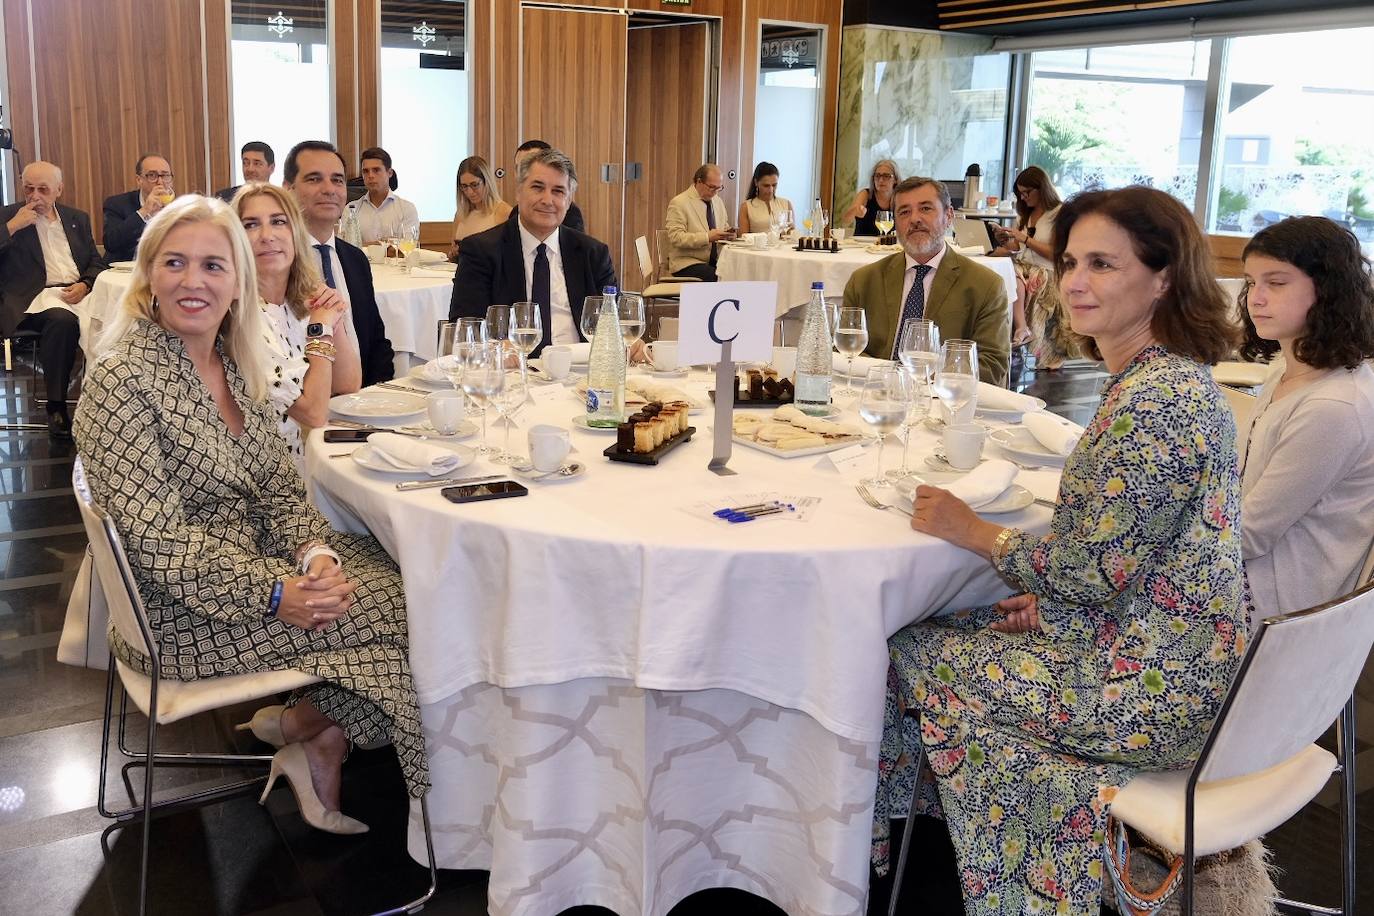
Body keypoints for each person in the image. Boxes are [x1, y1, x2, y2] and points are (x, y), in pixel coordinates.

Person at [875, 186, 1248, 915]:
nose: (1075, 280)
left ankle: (1013, 867)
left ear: (1164, 277)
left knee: (905, 647)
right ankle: (979, 844)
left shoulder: (1155, 400)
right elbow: (1127, 563)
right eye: (1072, 260)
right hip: (1170, 651)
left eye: (1104, 264)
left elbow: (1086, 568)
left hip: (1149, 692)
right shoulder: (1163, 379)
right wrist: (1049, 604)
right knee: (963, 629)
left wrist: (971, 529)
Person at [76, 195, 429, 833]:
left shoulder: (232, 364)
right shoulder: (121, 381)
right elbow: (162, 546)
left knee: (409, 578)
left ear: (238, 282)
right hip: (178, 614)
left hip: (249, 569)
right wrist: (276, 593)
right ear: (148, 274)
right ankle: (318, 735)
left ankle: (308, 728)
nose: (192, 281)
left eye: (213, 265)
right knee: (417, 608)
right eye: (174, 263)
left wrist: (315, 559)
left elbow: (275, 491)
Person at [1237, 216, 1374, 626]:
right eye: (1250, 282)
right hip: (1249, 574)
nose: (1255, 298)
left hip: (1274, 608)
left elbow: (1249, 536)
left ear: (1328, 291)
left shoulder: (1334, 405)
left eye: (1276, 283)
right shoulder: (1288, 367)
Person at [234, 183, 362, 471]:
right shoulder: (239, 317)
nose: (267, 236)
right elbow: (313, 413)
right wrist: (321, 328)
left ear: (295, 234)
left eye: (278, 221)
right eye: (251, 225)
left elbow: (348, 384)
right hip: (271, 478)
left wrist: (331, 314)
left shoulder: (298, 303)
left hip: (313, 460)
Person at [449, 148, 619, 359]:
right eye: (538, 188)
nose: (547, 200)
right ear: (519, 192)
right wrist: (498, 350)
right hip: (512, 374)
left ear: (568, 200)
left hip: (578, 373)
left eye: (558, 191)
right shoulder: (482, 251)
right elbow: (465, 328)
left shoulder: (592, 254)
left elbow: (614, 327)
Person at [841, 177, 1010, 384]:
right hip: (875, 397)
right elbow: (845, 350)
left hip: (945, 403)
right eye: (904, 212)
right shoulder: (864, 281)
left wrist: (920, 378)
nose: (914, 219)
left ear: (949, 216)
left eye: (926, 209)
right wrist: (889, 378)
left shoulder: (985, 286)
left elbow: (992, 365)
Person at [0, 161, 106, 440]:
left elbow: (96, 262)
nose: (35, 196)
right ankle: (56, 406)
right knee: (63, 321)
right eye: (29, 189)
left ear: (58, 189)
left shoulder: (76, 218)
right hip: (34, 296)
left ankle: (105, 401)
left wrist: (85, 284)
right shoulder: (8, 216)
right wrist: (12, 226)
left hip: (78, 291)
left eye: (43, 189)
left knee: (116, 315)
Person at [282, 140, 395, 386]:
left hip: (360, 404)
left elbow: (376, 342)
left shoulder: (355, 259)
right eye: (314, 179)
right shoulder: (277, 262)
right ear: (287, 190)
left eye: (337, 180)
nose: (329, 189)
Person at [992, 166, 1076, 369]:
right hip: (1024, 265)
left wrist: (1026, 239)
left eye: (1027, 192)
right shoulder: (1025, 213)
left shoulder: (1059, 213)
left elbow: (1057, 253)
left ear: (1042, 189)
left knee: (1014, 275)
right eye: (1020, 193)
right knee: (1005, 272)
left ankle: (1020, 328)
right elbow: (1017, 248)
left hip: (1047, 270)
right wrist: (1004, 240)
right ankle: (1012, 332)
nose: (1023, 197)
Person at [664, 163, 734, 282]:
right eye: (712, 187)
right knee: (719, 277)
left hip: (715, 260)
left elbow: (724, 226)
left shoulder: (717, 201)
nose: (715, 192)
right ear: (699, 181)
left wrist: (728, 235)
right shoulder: (679, 202)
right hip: (686, 262)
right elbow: (676, 237)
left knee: (737, 273)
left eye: (719, 188)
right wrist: (707, 237)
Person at [102, 154, 174, 262]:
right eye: (152, 175)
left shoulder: (178, 208)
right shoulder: (117, 204)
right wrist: (144, 211)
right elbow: (111, 244)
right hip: (126, 271)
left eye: (165, 176)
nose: (160, 182)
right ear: (139, 180)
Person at [506, 139, 585, 233]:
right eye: (519, 167)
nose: (524, 172)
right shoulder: (515, 212)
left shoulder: (570, 214)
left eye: (530, 163)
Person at [346, 147, 420, 246]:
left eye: (376, 170)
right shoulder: (351, 209)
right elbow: (347, 248)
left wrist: (364, 245)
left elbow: (407, 247)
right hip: (361, 262)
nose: (370, 175)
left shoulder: (406, 208)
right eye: (366, 171)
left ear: (389, 173)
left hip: (397, 262)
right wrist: (385, 243)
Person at [450, 155, 511, 262]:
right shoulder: (460, 214)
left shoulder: (503, 212)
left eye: (474, 185)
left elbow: (509, 256)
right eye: (464, 186)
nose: (469, 192)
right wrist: (453, 254)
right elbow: (453, 253)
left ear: (487, 182)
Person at [842, 158, 899, 236]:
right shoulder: (866, 194)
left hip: (890, 246)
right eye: (877, 176)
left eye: (886, 176)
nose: (881, 180)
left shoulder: (899, 198)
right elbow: (845, 220)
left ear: (895, 179)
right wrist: (855, 210)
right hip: (862, 245)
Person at [736, 161, 793, 234]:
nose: (771, 190)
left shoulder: (786, 204)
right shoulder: (746, 207)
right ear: (756, 182)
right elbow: (743, 238)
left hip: (782, 245)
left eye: (774, 185)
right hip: (756, 245)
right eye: (766, 186)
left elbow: (791, 234)